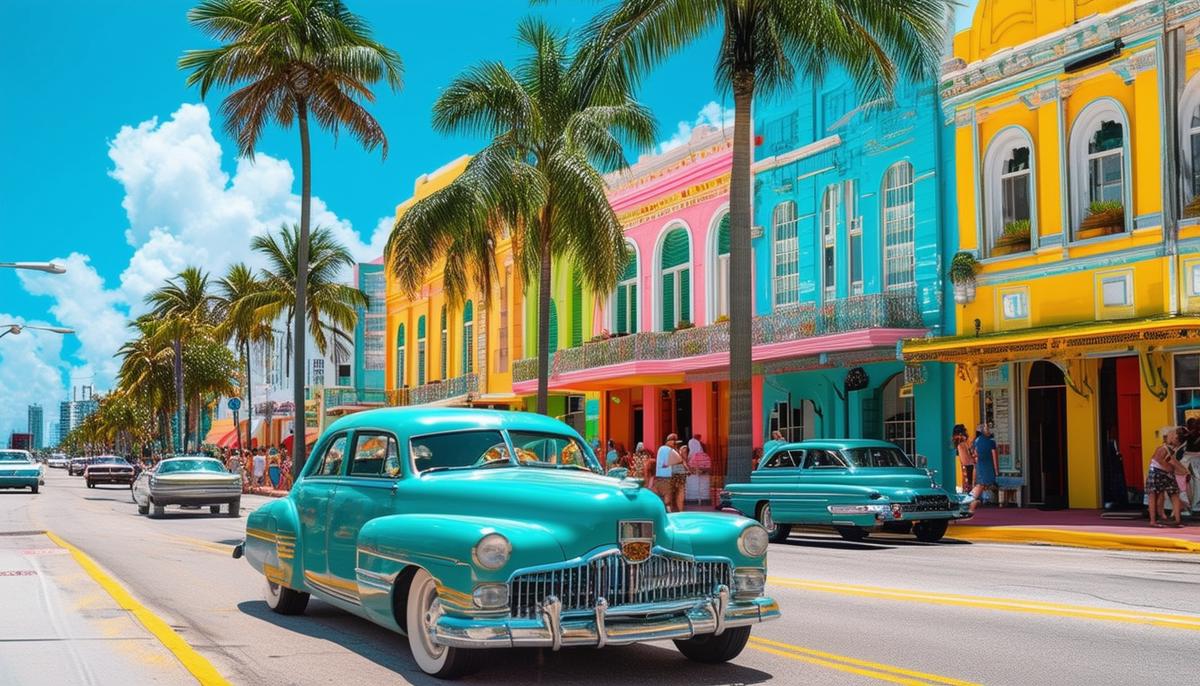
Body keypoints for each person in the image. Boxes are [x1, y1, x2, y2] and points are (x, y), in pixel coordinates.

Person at [1147, 428, 1184, 528]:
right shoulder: (1163, 448)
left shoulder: (1173, 448)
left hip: (1165, 472)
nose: (1178, 442)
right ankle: (1153, 521)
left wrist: (1180, 470)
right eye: (1177, 439)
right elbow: (1159, 460)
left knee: (1174, 493)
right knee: (1153, 494)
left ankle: (1177, 519)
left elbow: (1172, 461)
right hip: (1156, 471)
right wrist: (1171, 469)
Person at [968, 424, 998, 513]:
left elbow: (973, 454)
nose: (989, 430)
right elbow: (994, 457)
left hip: (979, 465)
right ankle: (968, 502)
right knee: (981, 485)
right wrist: (996, 470)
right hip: (987, 465)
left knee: (981, 484)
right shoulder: (991, 441)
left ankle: (969, 501)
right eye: (987, 429)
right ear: (983, 431)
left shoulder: (975, 441)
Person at [1100, 425, 1127, 510]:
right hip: (1115, 467)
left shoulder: (1113, 442)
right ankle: (1118, 500)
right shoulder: (1111, 442)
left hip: (1115, 466)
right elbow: (1115, 454)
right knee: (1117, 482)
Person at [656, 434, 683, 511]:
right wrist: (672, 463)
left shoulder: (669, 449)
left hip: (670, 476)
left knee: (669, 497)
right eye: (674, 441)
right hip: (665, 477)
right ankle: (668, 514)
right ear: (669, 441)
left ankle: (671, 513)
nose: (674, 443)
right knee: (667, 498)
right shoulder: (664, 449)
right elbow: (661, 464)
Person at [953, 424, 975, 493]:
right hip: (968, 464)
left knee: (967, 482)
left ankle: (967, 494)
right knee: (969, 483)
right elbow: (971, 451)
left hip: (966, 464)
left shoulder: (959, 442)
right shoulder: (963, 441)